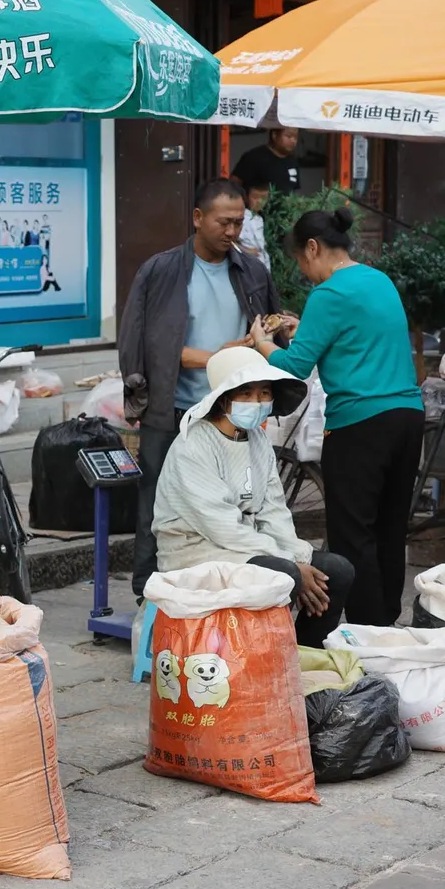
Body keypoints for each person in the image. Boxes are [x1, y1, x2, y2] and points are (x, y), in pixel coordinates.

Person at [250, 209, 423, 626]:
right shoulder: (377, 281)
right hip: (408, 417)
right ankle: (386, 619)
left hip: (360, 423)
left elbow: (294, 364)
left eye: (300, 261)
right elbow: (351, 337)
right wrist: (303, 325)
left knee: (353, 532)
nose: (304, 271)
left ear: (313, 248)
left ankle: (367, 627)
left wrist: (261, 343)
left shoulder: (328, 295)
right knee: (389, 528)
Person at [120, 179, 282, 598]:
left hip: (230, 411)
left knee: (233, 502)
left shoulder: (252, 270)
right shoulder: (162, 270)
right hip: (172, 406)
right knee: (157, 501)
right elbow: (146, 341)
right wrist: (217, 356)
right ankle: (149, 589)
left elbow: (268, 329)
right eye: (223, 222)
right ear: (197, 218)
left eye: (238, 223)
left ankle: (220, 585)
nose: (232, 232)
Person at [155, 346, 356, 646]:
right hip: (194, 549)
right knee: (285, 574)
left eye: (264, 393)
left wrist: (298, 554)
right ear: (224, 398)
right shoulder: (193, 445)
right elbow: (220, 527)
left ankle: (300, 656)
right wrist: (290, 562)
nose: (257, 402)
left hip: (246, 543)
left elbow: (273, 510)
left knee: (337, 572)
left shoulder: (258, 440)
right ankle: (259, 658)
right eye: (245, 394)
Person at [232, 128, 301, 196]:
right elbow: (235, 183)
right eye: (289, 136)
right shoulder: (254, 157)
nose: (293, 141)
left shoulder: (293, 161)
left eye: (296, 137)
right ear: (274, 135)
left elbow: (294, 189)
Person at [237, 178, 272, 272]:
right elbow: (230, 243)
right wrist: (246, 251)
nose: (259, 201)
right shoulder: (241, 216)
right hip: (247, 267)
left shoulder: (260, 219)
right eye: (255, 197)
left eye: (263, 198)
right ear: (247, 197)